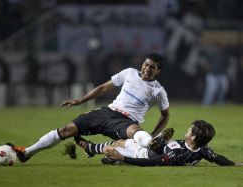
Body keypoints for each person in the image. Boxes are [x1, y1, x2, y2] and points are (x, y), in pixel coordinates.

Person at [10, 53, 170, 162]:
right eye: (146, 64)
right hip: (107, 112)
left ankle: (152, 142)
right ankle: (26, 153)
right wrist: (81, 100)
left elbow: (165, 115)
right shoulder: (129, 72)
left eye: (152, 67)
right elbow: (103, 88)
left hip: (126, 122)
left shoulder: (158, 90)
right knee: (67, 129)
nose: (147, 69)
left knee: (136, 133)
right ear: (142, 64)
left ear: (158, 71)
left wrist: (154, 133)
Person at [89, 120, 242, 167]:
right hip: (154, 150)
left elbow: (151, 162)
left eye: (191, 129)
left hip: (143, 154)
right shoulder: (203, 149)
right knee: (121, 142)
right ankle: (93, 150)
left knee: (112, 148)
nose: (188, 129)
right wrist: (235, 164)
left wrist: (123, 158)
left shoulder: (175, 153)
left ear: (194, 137)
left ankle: (112, 159)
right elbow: (216, 158)